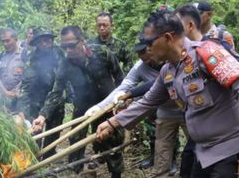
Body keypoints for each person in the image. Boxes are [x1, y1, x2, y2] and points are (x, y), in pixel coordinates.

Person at [97, 10, 239, 178]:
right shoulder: (168, 71)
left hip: (229, 152)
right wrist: (113, 123)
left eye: (150, 42)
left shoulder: (207, 53)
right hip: (203, 153)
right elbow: (148, 102)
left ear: (168, 38)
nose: (147, 48)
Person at [32, 25, 124, 178]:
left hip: (107, 105)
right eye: (64, 47)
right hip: (82, 107)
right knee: (75, 143)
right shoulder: (65, 65)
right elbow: (56, 92)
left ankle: (116, 175)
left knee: (113, 145)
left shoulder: (102, 53)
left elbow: (121, 78)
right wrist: (42, 116)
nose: (68, 51)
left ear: (82, 41)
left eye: (71, 46)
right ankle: (77, 172)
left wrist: (121, 101)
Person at [87, 39, 186, 177]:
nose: (149, 62)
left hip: (186, 110)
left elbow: (154, 84)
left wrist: (130, 95)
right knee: (161, 147)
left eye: (150, 56)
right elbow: (129, 89)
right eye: (143, 59)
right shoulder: (141, 67)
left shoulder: (176, 59)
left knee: (196, 148)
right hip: (164, 110)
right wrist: (101, 107)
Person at [17, 26, 66, 159]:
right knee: (35, 132)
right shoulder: (31, 58)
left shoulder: (58, 53)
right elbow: (25, 85)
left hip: (56, 99)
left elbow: (59, 82)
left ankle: (49, 157)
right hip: (36, 100)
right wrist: (21, 108)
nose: (46, 43)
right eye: (43, 41)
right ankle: (35, 160)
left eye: (49, 40)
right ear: (37, 42)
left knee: (54, 130)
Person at [0, 28, 24, 113]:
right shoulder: (0, 57)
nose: (5, 44)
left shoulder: (24, 55)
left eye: (8, 41)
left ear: (16, 39)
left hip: (20, 100)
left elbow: (28, 77)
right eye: (3, 41)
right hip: (4, 100)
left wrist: (16, 91)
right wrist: (5, 92)